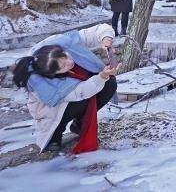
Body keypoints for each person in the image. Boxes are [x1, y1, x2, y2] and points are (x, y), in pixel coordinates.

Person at [11, 24, 119, 153]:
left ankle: (80, 124)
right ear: (53, 74)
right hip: (50, 111)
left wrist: (105, 37)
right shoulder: (41, 82)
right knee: (69, 106)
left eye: (65, 57)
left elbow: (96, 31)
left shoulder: (61, 43)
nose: (70, 63)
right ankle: (55, 134)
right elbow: (81, 92)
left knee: (109, 85)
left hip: (75, 92)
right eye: (63, 66)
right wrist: (102, 76)